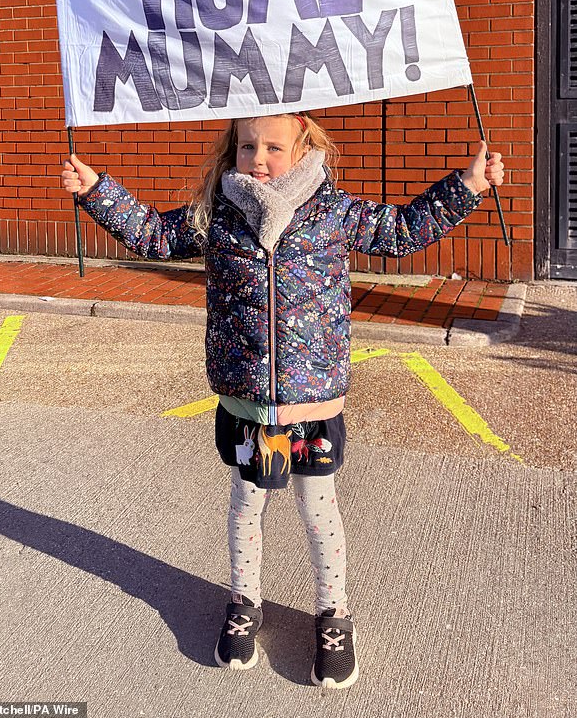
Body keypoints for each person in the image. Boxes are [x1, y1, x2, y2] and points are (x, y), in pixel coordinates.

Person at [61, 112, 504, 689]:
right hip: (249, 405)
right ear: (233, 151)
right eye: (247, 146)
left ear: (305, 147)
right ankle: (244, 602)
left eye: (273, 146)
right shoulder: (218, 213)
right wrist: (96, 190)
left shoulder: (334, 211)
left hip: (311, 405)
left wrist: (467, 184)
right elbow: (155, 234)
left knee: (318, 513)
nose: (259, 159)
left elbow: (402, 231)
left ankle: (333, 613)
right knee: (248, 505)